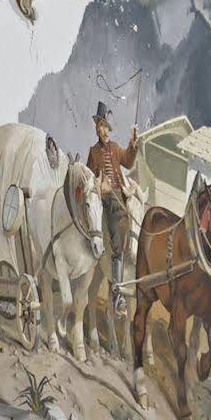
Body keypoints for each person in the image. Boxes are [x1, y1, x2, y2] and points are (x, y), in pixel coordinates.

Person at [85, 100, 140, 307]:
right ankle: (117, 295)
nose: (104, 131)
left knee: (138, 222)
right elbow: (90, 180)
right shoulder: (93, 152)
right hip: (106, 201)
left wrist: (133, 144)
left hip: (122, 197)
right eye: (101, 127)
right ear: (97, 129)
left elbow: (128, 161)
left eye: (107, 127)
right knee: (117, 239)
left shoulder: (116, 148)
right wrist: (100, 187)